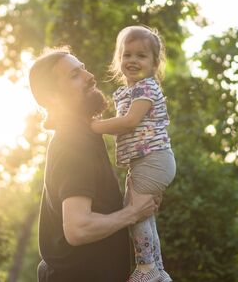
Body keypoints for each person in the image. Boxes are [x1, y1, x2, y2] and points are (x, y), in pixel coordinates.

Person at [29, 47, 159, 282]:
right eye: (74, 75)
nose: (90, 77)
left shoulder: (83, 134)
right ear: (54, 97)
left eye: (83, 69)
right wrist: (133, 212)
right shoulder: (73, 142)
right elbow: (79, 228)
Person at [90, 25, 175, 282]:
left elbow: (129, 122)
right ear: (119, 59)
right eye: (127, 55)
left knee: (134, 211)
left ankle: (147, 268)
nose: (133, 61)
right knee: (141, 212)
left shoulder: (146, 88)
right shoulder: (129, 91)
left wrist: (93, 126)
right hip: (145, 162)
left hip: (154, 159)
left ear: (154, 63)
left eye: (141, 56)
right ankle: (157, 271)